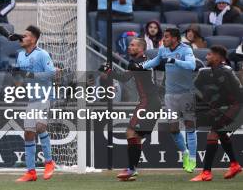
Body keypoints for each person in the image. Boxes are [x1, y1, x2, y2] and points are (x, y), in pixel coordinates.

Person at [142, 27, 197, 173]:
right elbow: (155, 61)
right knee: (173, 129)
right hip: (170, 96)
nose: (163, 39)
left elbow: (192, 66)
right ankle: (185, 153)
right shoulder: (163, 49)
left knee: (190, 126)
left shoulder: (186, 50)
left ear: (175, 38)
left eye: (166, 37)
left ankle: (192, 159)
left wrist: (175, 60)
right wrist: (141, 66)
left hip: (186, 94)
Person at [104, 38, 161, 180]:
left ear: (141, 48)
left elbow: (124, 78)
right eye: (129, 45)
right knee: (136, 136)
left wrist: (107, 70)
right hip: (152, 102)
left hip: (147, 103)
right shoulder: (144, 60)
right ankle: (132, 169)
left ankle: (131, 169)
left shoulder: (137, 62)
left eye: (133, 45)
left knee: (130, 132)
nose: (129, 47)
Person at [191, 45, 243, 181]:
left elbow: (235, 94)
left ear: (218, 57)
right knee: (219, 133)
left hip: (234, 107)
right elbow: (195, 88)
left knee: (214, 134)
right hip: (224, 108)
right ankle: (234, 165)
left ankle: (207, 172)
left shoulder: (225, 71)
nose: (206, 57)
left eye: (209, 55)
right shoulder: (209, 72)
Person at [14, 26, 57, 182]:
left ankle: (49, 162)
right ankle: (31, 172)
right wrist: (17, 80)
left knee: (39, 127)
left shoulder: (42, 54)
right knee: (28, 133)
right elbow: (19, 76)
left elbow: (52, 73)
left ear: (33, 39)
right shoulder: (20, 55)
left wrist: (30, 75)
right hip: (32, 98)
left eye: (25, 36)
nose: (21, 38)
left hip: (45, 96)